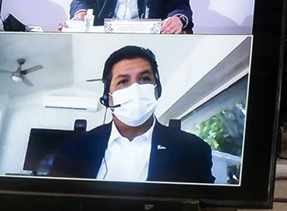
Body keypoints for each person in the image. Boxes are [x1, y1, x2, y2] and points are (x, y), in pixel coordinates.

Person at [49, 46, 214, 183]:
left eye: (144, 79)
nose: (136, 89)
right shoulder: (73, 148)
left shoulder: (193, 150)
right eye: (123, 81)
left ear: (157, 90)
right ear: (108, 96)